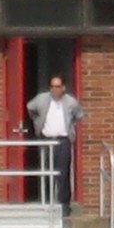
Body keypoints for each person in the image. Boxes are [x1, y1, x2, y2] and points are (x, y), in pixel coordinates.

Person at [25, 76, 86, 216]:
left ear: (63, 88)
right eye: (52, 86)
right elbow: (30, 108)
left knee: (63, 174)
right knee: (46, 171)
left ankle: (64, 205)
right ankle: (46, 203)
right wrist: (37, 121)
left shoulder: (70, 102)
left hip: (63, 140)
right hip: (46, 140)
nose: (55, 90)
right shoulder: (42, 99)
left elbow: (79, 115)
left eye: (58, 86)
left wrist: (71, 128)